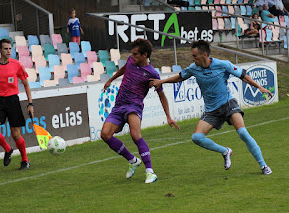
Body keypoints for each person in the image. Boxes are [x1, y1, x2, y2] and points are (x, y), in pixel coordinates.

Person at [150, 40, 273, 175]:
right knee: (196, 137)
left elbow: (243, 76)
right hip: (211, 110)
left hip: (228, 104)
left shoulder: (222, 64)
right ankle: (225, 151)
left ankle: (263, 166)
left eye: (194, 56)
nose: (193, 58)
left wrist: (260, 87)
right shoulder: (193, 68)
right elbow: (180, 77)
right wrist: (162, 81)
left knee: (243, 133)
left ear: (204, 55)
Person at [100, 38, 180, 184]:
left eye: (136, 54)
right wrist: (111, 79)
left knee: (135, 134)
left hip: (134, 106)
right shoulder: (131, 60)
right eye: (133, 54)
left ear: (144, 55)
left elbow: (161, 95)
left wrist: (168, 117)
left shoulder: (152, 73)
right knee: (105, 134)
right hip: (119, 105)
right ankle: (132, 160)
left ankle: (150, 172)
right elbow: (124, 69)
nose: (133, 56)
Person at [0, 39, 34, 170]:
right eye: (6, 49)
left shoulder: (17, 64)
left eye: (10, 48)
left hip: (12, 101)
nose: (9, 51)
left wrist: (30, 104)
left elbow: (26, 85)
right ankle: (8, 149)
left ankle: (25, 160)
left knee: (16, 134)